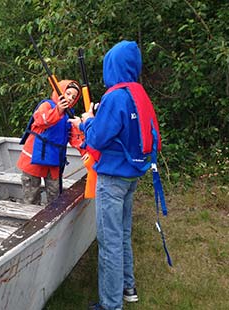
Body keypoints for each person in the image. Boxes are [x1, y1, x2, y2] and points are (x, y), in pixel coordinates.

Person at [69, 41, 162, 310]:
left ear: (113, 65)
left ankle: (110, 305)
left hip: (111, 179)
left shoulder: (114, 96)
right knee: (122, 233)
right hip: (132, 175)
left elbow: (97, 138)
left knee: (109, 242)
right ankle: (127, 287)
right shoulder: (138, 93)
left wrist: (86, 121)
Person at [17, 79, 85, 205]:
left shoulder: (70, 116)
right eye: (68, 93)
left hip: (54, 160)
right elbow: (43, 120)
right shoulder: (46, 106)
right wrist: (58, 110)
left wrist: (85, 150)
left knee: (55, 196)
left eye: (74, 97)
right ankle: (31, 221)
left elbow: (75, 137)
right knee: (31, 196)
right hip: (33, 159)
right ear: (60, 93)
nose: (70, 98)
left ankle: (53, 221)